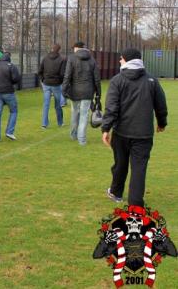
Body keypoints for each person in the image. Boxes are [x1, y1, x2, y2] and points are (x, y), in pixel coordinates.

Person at [102, 48, 167, 207]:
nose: (119, 61)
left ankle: (119, 193)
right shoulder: (149, 80)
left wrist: (105, 129)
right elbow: (161, 104)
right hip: (141, 134)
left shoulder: (120, 80)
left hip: (124, 133)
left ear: (126, 60)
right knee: (137, 168)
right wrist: (161, 122)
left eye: (121, 58)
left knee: (121, 164)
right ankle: (132, 201)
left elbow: (111, 107)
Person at [62, 41, 101, 146]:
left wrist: (64, 89)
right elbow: (97, 79)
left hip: (74, 91)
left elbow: (67, 75)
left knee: (75, 113)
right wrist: (98, 93)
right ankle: (82, 140)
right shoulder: (92, 59)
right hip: (88, 91)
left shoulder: (71, 58)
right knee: (84, 115)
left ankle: (74, 135)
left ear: (76, 48)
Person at [0, 53, 21, 142]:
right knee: (13, 111)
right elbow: (16, 78)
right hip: (8, 92)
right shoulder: (11, 66)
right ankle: (9, 131)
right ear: (9, 59)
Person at [38, 44, 66, 128]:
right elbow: (62, 74)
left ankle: (44, 124)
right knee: (58, 105)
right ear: (59, 50)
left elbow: (40, 71)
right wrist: (60, 81)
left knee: (46, 104)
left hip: (46, 83)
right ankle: (60, 123)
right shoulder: (62, 59)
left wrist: (43, 80)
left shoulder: (45, 58)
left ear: (51, 49)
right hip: (56, 84)